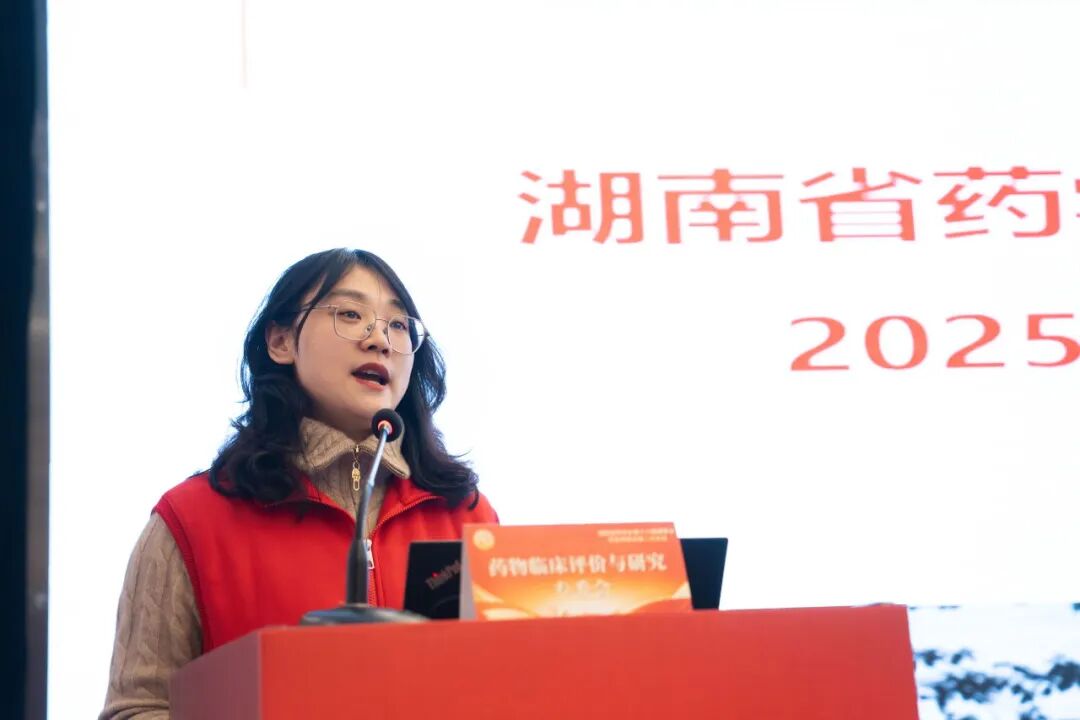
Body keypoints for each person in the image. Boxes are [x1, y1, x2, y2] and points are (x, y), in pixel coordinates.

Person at [100, 248, 498, 719]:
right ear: (281, 341)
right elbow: (138, 708)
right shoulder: (192, 519)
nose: (380, 340)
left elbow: (502, 689)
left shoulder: (466, 517)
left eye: (398, 325)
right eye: (350, 314)